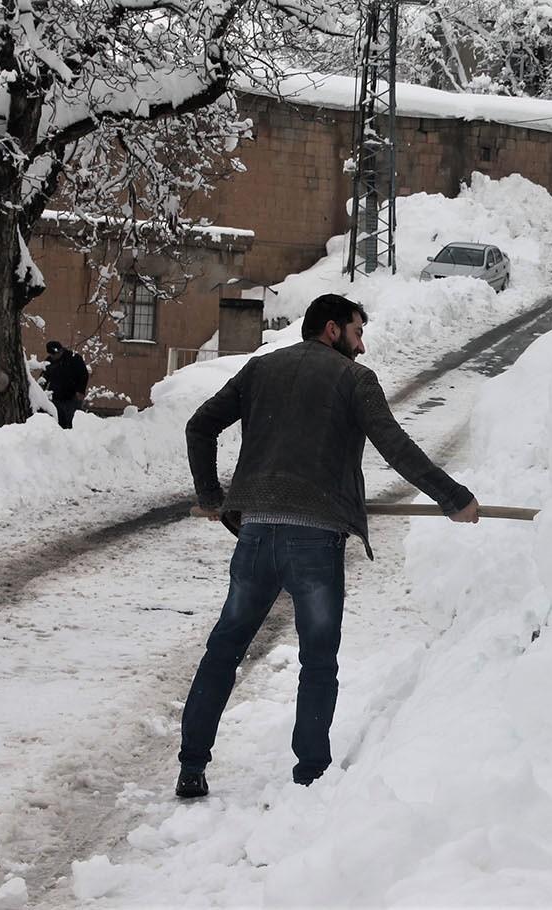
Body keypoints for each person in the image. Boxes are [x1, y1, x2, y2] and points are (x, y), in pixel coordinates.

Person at [176, 293, 479, 799]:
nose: (362, 347)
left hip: (256, 533)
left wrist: (212, 496)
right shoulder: (353, 379)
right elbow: (394, 444)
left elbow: (199, 425)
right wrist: (453, 498)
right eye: (358, 333)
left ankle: (191, 768)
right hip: (314, 541)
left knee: (223, 649)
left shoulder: (260, 369)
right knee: (318, 659)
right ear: (333, 329)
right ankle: (311, 774)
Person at [42, 341, 88, 428]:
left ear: (60, 351)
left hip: (72, 397)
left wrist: (81, 391)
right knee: (59, 423)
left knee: (72, 422)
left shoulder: (74, 358)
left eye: (55, 354)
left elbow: (84, 375)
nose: (53, 357)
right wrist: (41, 391)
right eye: (51, 355)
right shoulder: (49, 361)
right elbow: (44, 377)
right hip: (56, 397)